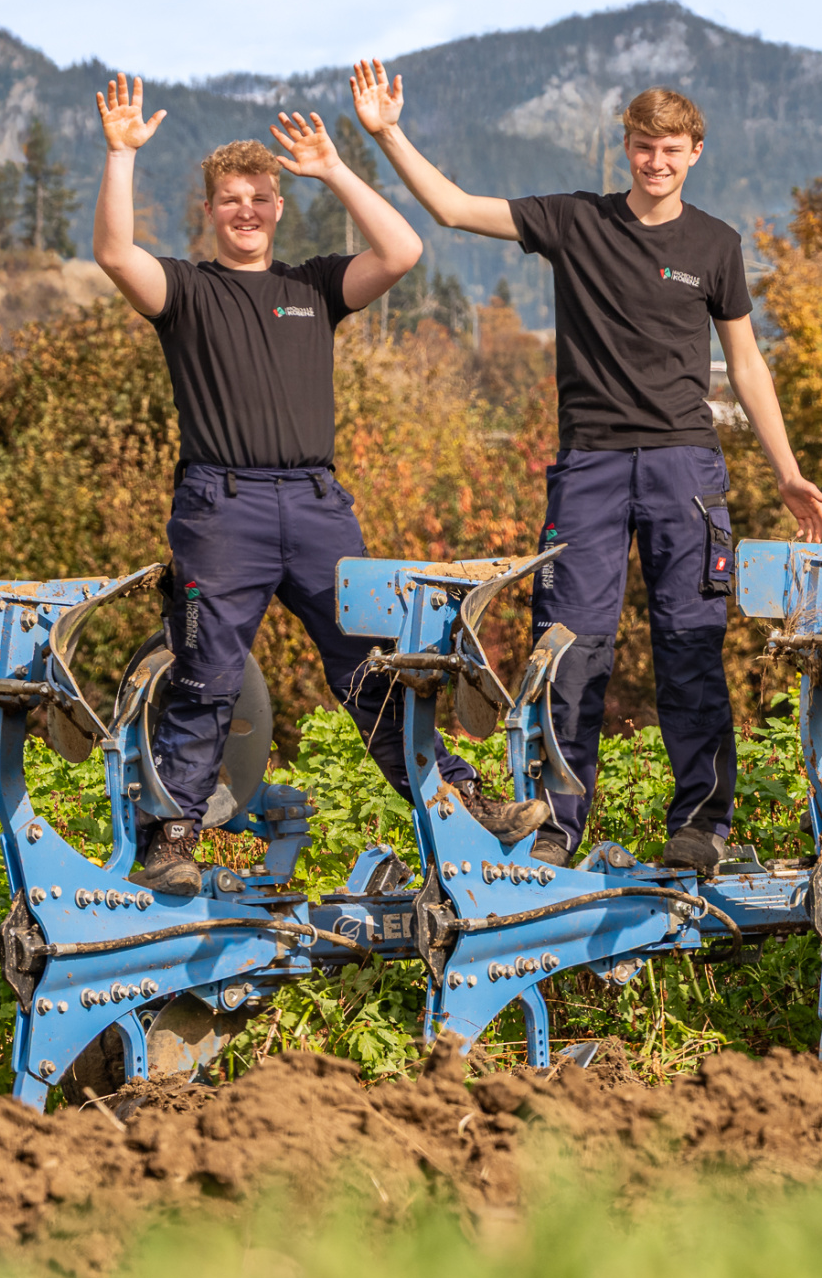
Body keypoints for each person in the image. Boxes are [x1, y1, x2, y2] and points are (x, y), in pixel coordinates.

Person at [355, 64, 822, 875]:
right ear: (627, 149)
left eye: (670, 149)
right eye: (643, 148)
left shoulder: (715, 245)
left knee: (690, 641)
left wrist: (784, 469)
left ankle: (700, 824)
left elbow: (746, 364)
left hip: (686, 463)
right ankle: (556, 823)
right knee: (568, 647)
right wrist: (387, 133)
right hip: (591, 466)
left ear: (696, 153)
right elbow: (453, 208)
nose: (655, 162)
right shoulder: (577, 220)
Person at [88, 77, 546, 897]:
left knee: (373, 667)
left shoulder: (312, 288)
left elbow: (403, 250)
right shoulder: (187, 293)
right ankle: (172, 836)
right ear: (210, 209)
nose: (247, 211)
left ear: (278, 206)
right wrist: (121, 154)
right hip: (221, 509)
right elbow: (116, 254)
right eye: (230, 199)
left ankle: (460, 801)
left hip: (315, 506)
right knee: (206, 671)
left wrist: (335, 167)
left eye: (260, 197)